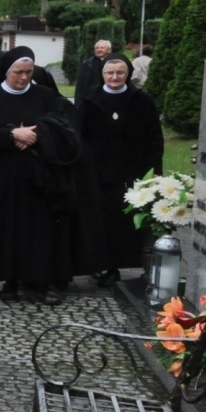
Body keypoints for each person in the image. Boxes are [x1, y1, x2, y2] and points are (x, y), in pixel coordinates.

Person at [0, 47, 103, 305]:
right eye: (18, 72)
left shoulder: (46, 95)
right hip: (5, 174)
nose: (23, 77)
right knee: (9, 228)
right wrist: (12, 135)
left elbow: (63, 124)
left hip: (43, 173)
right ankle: (12, 279)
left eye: (29, 72)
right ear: (7, 72)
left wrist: (37, 134)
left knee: (43, 229)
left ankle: (47, 281)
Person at [78, 53, 164, 281]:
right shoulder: (89, 99)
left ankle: (124, 262)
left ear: (128, 74)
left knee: (124, 221)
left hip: (131, 171)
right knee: (99, 220)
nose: (114, 77)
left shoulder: (142, 100)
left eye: (120, 73)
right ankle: (102, 265)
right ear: (102, 74)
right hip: (97, 172)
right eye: (110, 72)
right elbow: (79, 135)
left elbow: (154, 138)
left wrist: (155, 170)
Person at [75, 39, 112, 108]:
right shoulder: (87, 64)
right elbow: (80, 85)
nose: (99, 50)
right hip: (90, 101)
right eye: (97, 48)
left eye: (102, 48)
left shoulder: (114, 63)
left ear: (108, 50)